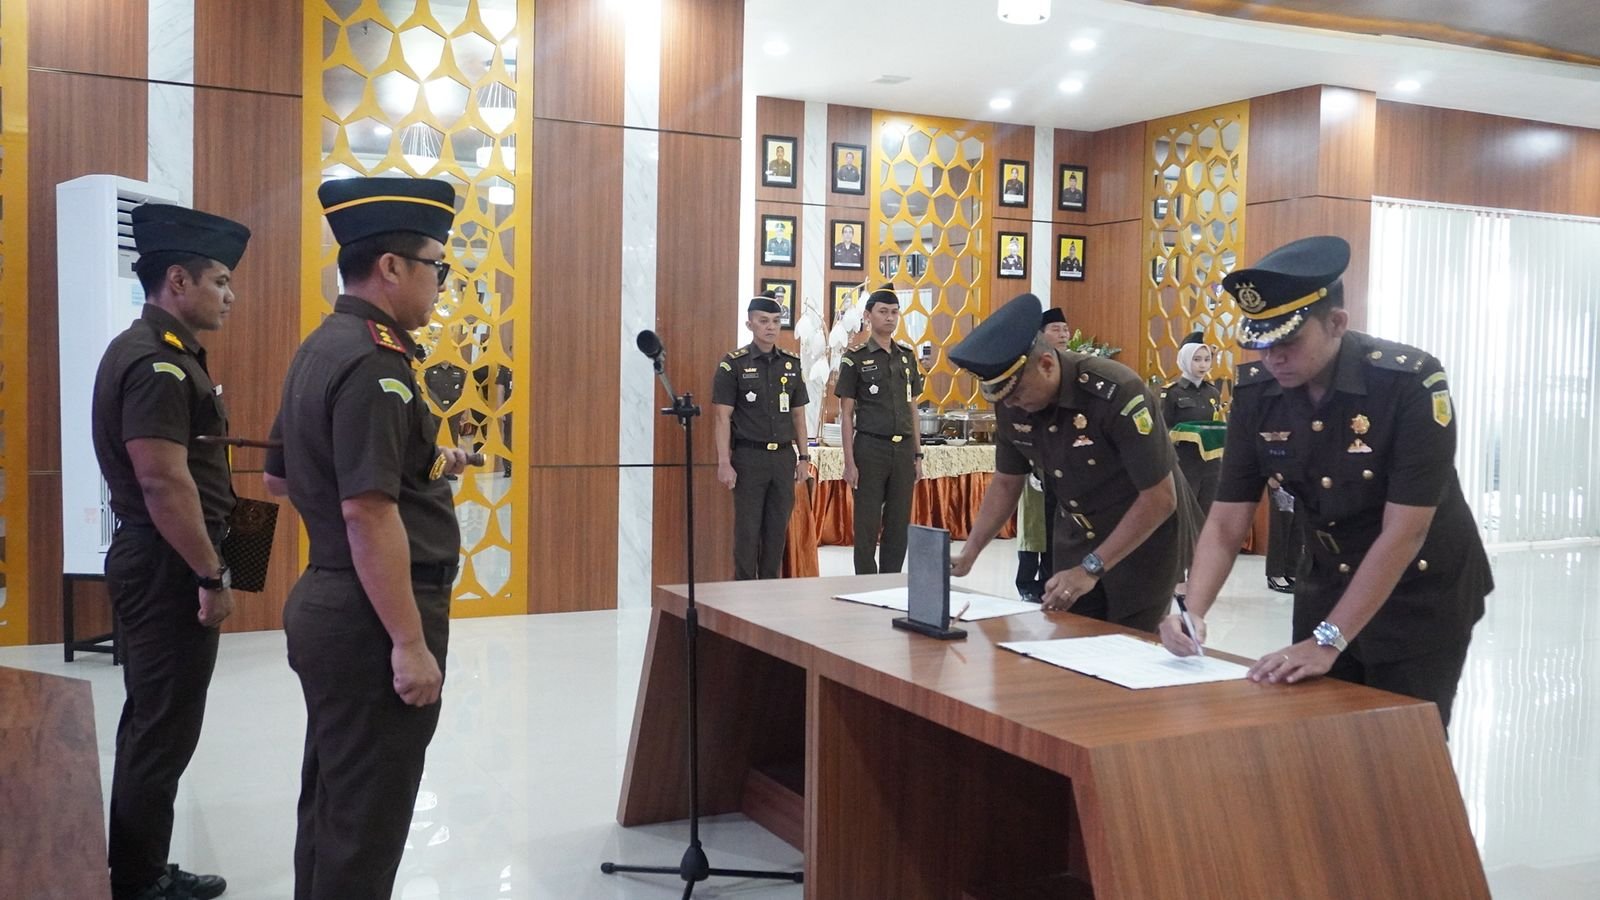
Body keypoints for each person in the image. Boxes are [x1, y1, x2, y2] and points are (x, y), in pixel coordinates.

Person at [1157, 235, 1492, 729]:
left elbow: (1406, 530)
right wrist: (1192, 611)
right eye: (1261, 343)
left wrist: (1329, 639)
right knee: (1320, 737)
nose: (1272, 358)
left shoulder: (1408, 383)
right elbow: (1227, 520)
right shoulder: (1257, 393)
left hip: (1419, 593)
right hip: (1328, 579)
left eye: (1287, 342)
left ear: (1336, 323)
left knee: (1402, 745)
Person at [263, 177, 471, 900]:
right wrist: (409, 644)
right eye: (436, 266)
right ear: (391, 267)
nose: (440, 284)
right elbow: (368, 514)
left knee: (335, 798)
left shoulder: (323, 345)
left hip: (332, 597)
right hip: (372, 616)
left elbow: (280, 479)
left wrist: (424, 464)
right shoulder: (377, 364)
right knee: (367, 821)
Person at [91, 203, 250, 900]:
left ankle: (141, 866)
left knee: (157, 722)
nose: (230, 295)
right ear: (178, 281)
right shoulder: (157, 363)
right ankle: (139, 880)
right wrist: (211, 575)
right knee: (162, 729)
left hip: (167, 558)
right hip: (168, 565)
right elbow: (162, 482)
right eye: (220, 280)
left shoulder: (164, 354)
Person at [950, 293, 1199, 633]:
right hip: (1077, 532)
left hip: (1143, 539)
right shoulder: (1011, 400)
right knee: (1070, 637)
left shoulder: (1115, 391)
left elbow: (1160, 498)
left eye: (1018, 394)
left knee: (1130, 644)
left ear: (1047, 364)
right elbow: (1007, 482)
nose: (1011, 406)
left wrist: (1091, 568)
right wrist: (970, 552)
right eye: (1003, 397)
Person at [713, 294, 811, 579]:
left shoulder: (791, 364)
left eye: (776, 321)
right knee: (748, 531)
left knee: (776, 531)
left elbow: (798, 416)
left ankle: (769, 590)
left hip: (782, 458)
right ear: (750, 324)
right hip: (749, 458)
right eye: (763, 321)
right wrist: (724, 462)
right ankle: (744, 590)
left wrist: (804, 457)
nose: (770, 327)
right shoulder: (733, 365)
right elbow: (722, 417)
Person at [835, 288, 924, 574]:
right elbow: (846, 414)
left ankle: (890, 583)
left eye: (894, 312)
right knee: (867, 523)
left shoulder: (906, 357)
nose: (889, 318)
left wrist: (918, 454)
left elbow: (913, 408)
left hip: (903, 449)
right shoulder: (855, 358)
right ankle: (866, 585)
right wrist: (849, 462)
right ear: (868, 315)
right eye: (883, 312)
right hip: (870, 449)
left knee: (898, 523)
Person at [1014, 307, 1070, 602]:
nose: (1063, 334)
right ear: (1041, 335)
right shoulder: (1030, 370)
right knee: (1033, 526)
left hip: (1064, 465)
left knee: (1056, 528)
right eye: (1056, 329)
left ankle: (1051, 581)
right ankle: (1026, 583)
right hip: (1034, 462)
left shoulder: (1073, 373)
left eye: (1065, 329)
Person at [1160, 332, 1224, 514]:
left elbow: (1215, 423)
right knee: (1185, 513)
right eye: (1197, 360)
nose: (1203, 365)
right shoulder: (1172, 392)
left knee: (1208, 513)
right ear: (1185, 360)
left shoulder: (1213, 392)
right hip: (1184, 462)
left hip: (1211, 464)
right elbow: (1163, 429)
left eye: (1207, 359)